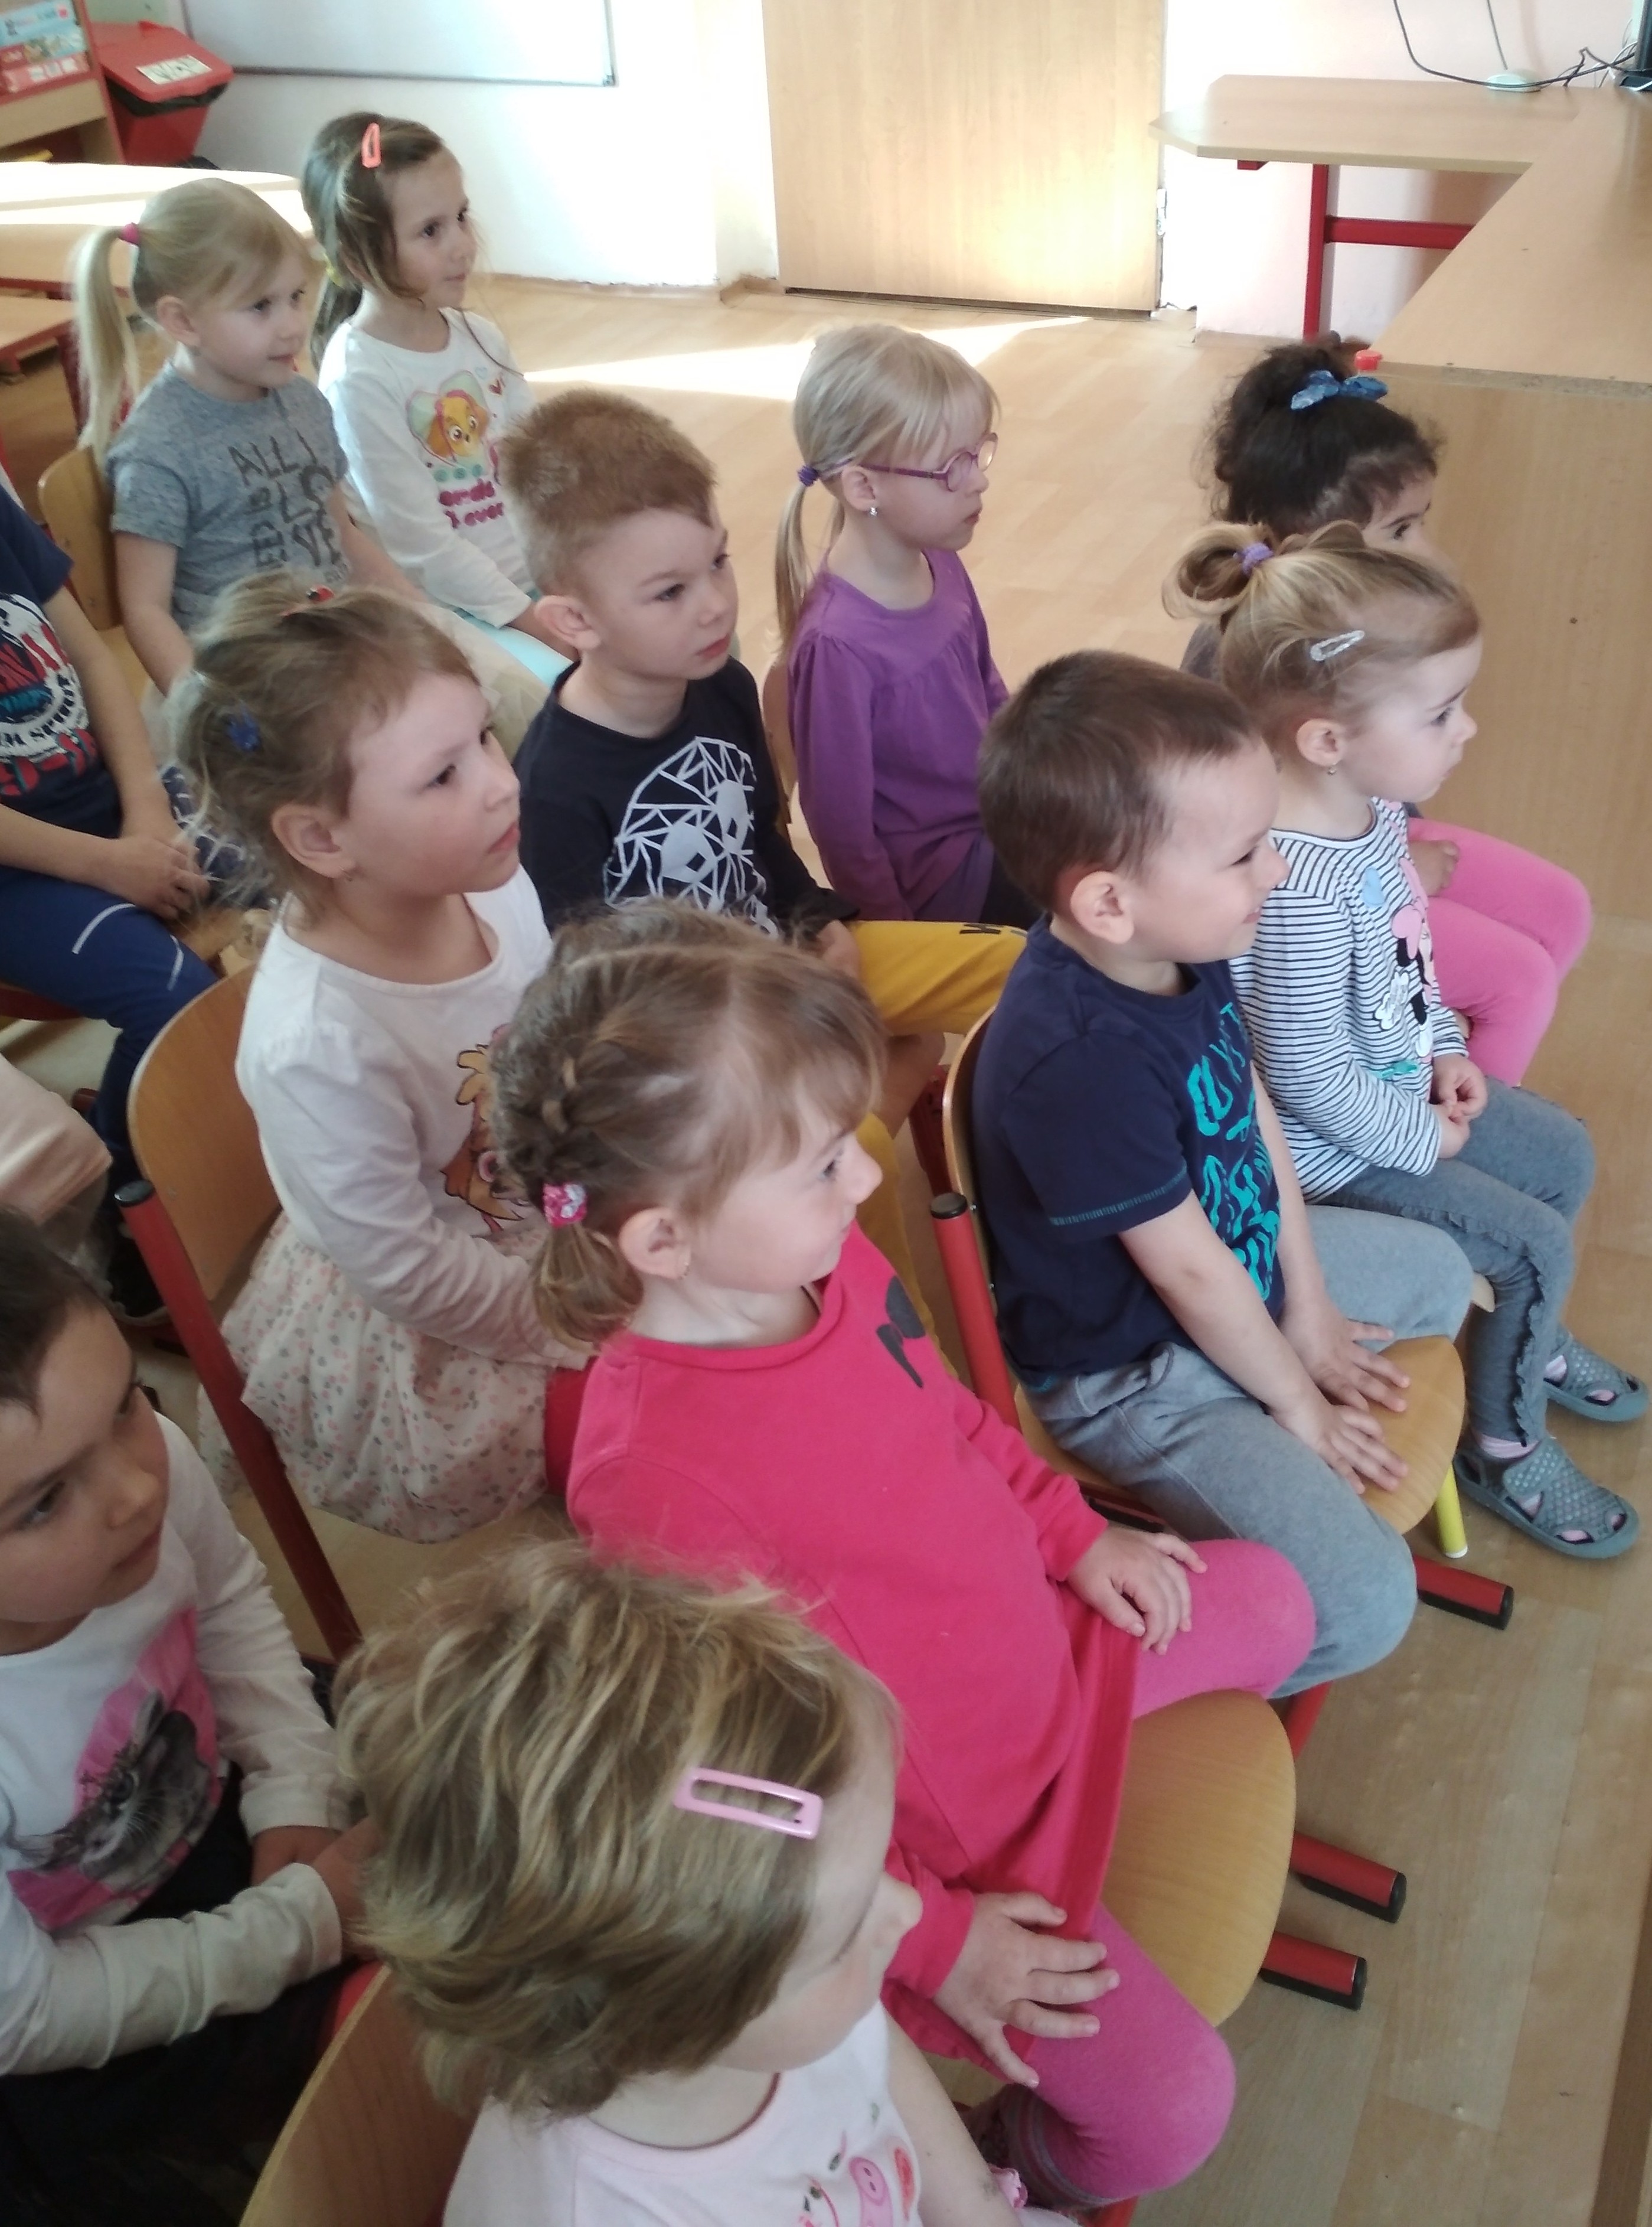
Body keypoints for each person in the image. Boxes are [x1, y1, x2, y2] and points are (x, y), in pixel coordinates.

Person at [489, 899, 1317, 2215]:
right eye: (822, 1162)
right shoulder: (647, 1479)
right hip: (963, 1848)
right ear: (661, 1237)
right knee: (1170, 2116)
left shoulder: (826, 1268)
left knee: (1277, 1598)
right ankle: (1009, 2149)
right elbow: (739, 1797)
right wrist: (933, 1940)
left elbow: (961, 1426)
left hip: (1049, 1669)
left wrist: (1076, 1535)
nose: (865, 1179)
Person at [969, 650, 1477, 1678]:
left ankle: (1273, 1422)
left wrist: (1309, 1306)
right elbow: (1186, 1273)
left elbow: (1250, 1116)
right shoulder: (1075, 1059)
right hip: (1137, 1373)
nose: (1275, 872)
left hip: (1228, 1272)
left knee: (1436, 1270)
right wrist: (1295, 1401)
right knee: (1364, 1606)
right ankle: (1101, 1701)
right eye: (1245, 854)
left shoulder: (1177, 947)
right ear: (1109, 903)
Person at [338, 1540, 1072, 2226]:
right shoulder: (592, 2210)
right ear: (675, 2021)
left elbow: (880, 2064)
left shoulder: (799, 1995)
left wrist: (982, 2212)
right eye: (846, 1930)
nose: (907, 1909)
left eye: (878, 1869)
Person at [1169, 524, 1642, 1557]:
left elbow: (1403, 955)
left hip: (1393, 1097)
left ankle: (1522, 1330)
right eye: (1437, 712)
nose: (1466, 728)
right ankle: (1503, 1445)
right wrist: (1419, 1136)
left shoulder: (1372, 810)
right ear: (1323, 740)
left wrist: (1440, 1047)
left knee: (1560, 1154)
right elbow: (1303, 1076)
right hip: (1330, 1154)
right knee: (1532, 1243)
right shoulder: (1293, 887)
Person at [498, 386, 1024, 1313]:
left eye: (717, 562)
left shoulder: (724, 686)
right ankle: (893, 1341)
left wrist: (818, 919)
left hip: (785, 964)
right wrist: (780, 1020)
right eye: (669, 591)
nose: (713, 605)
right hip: (705, 1050)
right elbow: (602, 995)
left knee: (1020, 968)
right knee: (852, 1152)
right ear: (573, 621)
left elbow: (763, 845)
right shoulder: (553, 787)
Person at [171, 575, 580, 1541]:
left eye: (484, 738)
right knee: (650, 1415)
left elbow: (551, 1034)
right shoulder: (317, 1044)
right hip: (447, 1296)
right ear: (320, 837)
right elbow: (406, 1267)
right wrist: (570, 1317)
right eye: (442, 775)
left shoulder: (490, 874)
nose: (501, 781)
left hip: (546, 1194)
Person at [0, 1208, 370, 2226]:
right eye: (41, 1502)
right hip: (95, 1988)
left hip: (230, 1806)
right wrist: (302, 1926)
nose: (135, 1490)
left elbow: (229, 1605)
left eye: (125, 1402)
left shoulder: (140, 1472)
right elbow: (29, 2012)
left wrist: (294, 1782)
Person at [1184, 337, 1590, 1085]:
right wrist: (1398, 869)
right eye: (1400, 529)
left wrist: (1393, 852)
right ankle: (1454, 1132)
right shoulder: (1245, 663)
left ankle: (1442, 1077)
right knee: (1517, 981)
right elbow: (1249, 839)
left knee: (1562, 907)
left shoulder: (1366, 622)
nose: (1428, 551)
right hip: (1318, 884)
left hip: (1372, 839)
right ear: (1313, 541)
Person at [0, 482, 242, 1319]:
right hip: (20, 874)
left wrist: (145, 810)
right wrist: (110, 865)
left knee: (299, 841)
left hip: (117, 810)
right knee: (175, 999)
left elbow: (95, 661)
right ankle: (119, 1194)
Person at [73, 178, 422, 701]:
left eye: (296, 297)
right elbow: (146, 610)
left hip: (334, 649)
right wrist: (211, 713)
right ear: (182, 321)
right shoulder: (156, 451)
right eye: (261, 306)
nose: (292, 326)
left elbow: (343, 536)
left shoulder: (302, 402)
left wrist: (420, 613)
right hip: (245, 686)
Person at [303, 110, 569, 689]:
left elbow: (539, 468)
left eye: (461, 217)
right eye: (430, 231)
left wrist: (570, 576)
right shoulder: (359, 377)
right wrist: (533, 622)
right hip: (448, 611)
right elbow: (422, 550)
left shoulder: (480, 337)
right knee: (558, 690)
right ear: (358, 260)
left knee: (656, 641)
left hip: (534, 582)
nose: (462, 246)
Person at [776, 324, 1032, 925]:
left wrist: (1035, 780)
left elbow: (988, 689)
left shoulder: (939, 556)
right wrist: (899, 941)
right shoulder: (837, 645)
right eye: (951, 468)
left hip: (991, 823)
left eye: (978, 454)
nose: (979, 479)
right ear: (864, 486)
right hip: (940, 882)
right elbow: (842, 831)